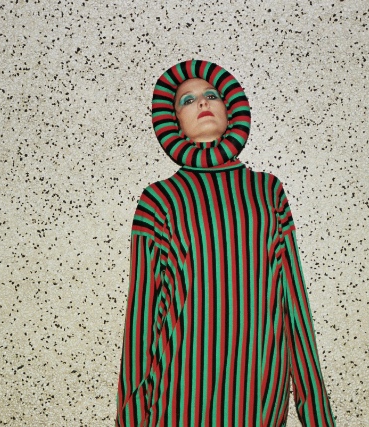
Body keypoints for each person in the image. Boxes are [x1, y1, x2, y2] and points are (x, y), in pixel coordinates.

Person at [116, 60, 336, 427]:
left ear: (230, 108)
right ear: (174, 123)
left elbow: (295, 306)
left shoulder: (268, 192)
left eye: (211, 95)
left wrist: (318, 417)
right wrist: (131, 418)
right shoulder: (159, 200)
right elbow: (141, 316)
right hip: (178, 396)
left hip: (257, 396)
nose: (202, 102)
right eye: (187, 100)